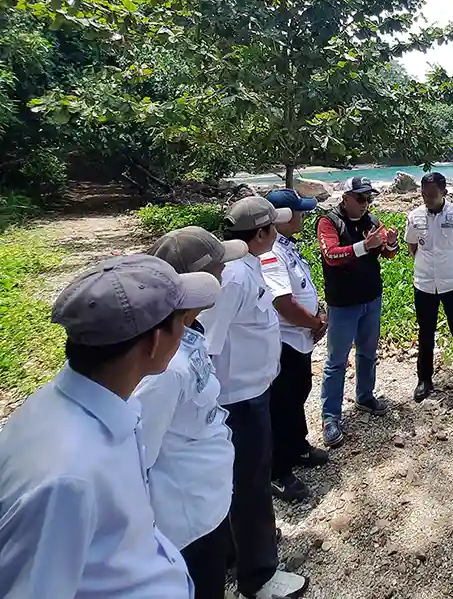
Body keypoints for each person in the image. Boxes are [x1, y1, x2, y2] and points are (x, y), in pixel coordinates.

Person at [0, 253, 221, 598]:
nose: (187, 330)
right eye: (182, 321)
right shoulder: (67, 478)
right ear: (155, 342)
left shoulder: (102, 404)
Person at [199, 196, 307, 599]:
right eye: (273, 227)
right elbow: (207, 344)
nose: (278, 231)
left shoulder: (247, 267)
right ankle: (259, 576)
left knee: (241, 481)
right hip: (238, 399)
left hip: (249, 392)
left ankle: (236, 548)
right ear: (261, 233)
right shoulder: (236, 278)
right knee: (250, 483)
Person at [133, 226, 247, 599]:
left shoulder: (188, 330)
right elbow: (137, 461)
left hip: (208, 500)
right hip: (186, 519)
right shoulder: (161, 370)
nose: (226, 272)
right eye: (219, 267)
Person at [316, 176, 398, 447]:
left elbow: (387, 254)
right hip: (342, 304)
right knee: (336, 361)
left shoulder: (372, 222)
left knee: (367, 353)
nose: (365, 204)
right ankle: (330, 417)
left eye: (369, 199)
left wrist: (392, 243)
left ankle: (365, 396)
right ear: (346, 197)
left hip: (371, 299)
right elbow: (331, 255)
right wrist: (365, 246)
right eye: (360, 198)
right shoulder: (329, 222)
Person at [261, 189, 330, 503]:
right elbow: (283, 303)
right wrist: (314, 323)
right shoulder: (270, 253)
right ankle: (278, 471)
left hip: (299, 337)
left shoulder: (286, 246)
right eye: (298, 211)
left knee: (298, 394)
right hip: (285, 340)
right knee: (282, 404)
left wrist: (319, 314)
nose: (303, 215)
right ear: (282, 217)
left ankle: (298, 446)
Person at [404, 172, 453, 401]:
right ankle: (424, 379)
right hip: (425, 283)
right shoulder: (414, 216)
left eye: (432, 194)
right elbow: (412, 246)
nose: (427, 199)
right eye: (424, 194)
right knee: (425, 332)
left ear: (444, 192)